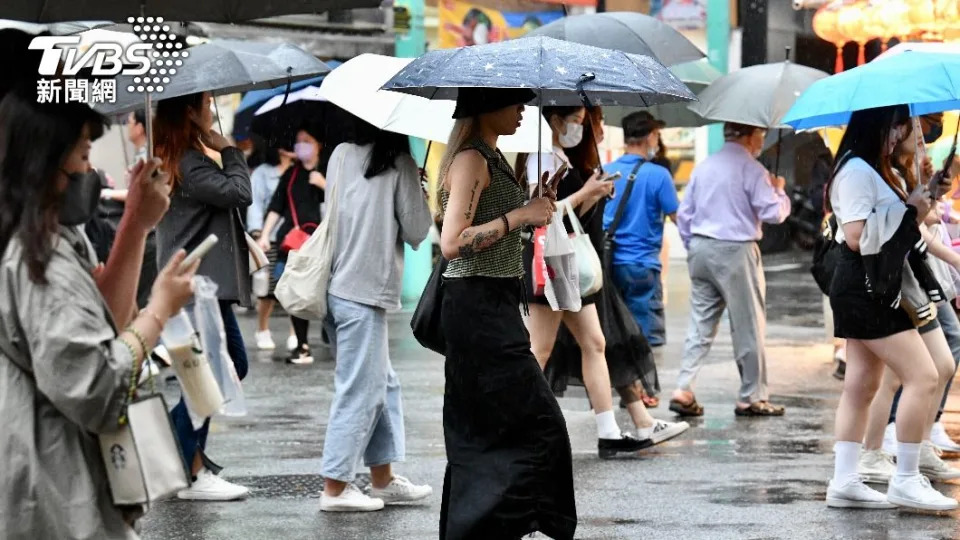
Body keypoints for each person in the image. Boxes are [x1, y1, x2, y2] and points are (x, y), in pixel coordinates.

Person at [0, 92, 199, 539]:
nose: (89, 170)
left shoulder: (51, 236)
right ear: (45, 163)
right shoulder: (39, 260)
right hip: (51, 486)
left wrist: (137, 222)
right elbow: (96, 385)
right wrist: (158, 312)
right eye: (84, 155)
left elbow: (101, 321)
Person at [438, 87, 576, 540]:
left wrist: (535, 202)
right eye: (515, 103)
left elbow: (501, 218)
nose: (522, 112)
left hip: (493, 302)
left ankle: (488, 525)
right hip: (476, 308)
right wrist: (520, 215)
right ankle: (505, 522)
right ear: (487, 107)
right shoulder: (471, 160)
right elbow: (452, 242)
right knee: (537, 422)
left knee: (491, 424)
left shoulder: (490, 157)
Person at [521, 106, 686, 455]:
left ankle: (609, 431)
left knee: (595, 343)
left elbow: (567, 218)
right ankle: (512, 426)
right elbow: (540, 215)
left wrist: (593, 195)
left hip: (567, 259)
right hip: (551, 260)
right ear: (555, 120)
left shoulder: (559, 154)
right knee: (541, 348)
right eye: (577, 121)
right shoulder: (541, 157)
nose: (580, 128)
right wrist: (586, 194)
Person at [825, 105, 957, 511]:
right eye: (900, 124)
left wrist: (921, 200)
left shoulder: (871, 167)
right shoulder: (857, 172)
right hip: (866, 286)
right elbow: (855, 237)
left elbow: (899, 230)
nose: (906, 131)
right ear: (881, 125)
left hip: (875, 285)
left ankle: (845, 481)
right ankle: (906, 478)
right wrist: (911, 211)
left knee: (862, 384)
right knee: (924, 375)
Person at [318, 119, 433, 512]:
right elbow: (418, 230)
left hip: (337, 284)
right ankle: (335, 487)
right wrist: (420, 186)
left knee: (383, 385)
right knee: (361, 391)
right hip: (363, 291)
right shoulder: (398, 163)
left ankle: (382, 479)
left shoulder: (340, 154)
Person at [154, 91, 252, 501]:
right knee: (206, 377)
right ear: (191, 113)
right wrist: (230, 151)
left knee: (217, 371)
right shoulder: (189, 163)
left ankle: (185, 463)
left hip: (202, 287)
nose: (211, 111)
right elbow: (238, 192)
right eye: (206, 104)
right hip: (197, 289)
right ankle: (186, 467)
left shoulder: (178, 159)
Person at [856, 121, 960, 484]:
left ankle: (904, 453)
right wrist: (920, 207)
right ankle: (886, 458)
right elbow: (863, 236)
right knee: (889, 378)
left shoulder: (895, 174)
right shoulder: (864, 172)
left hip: (913, 277)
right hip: (892, 280)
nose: (919, 138)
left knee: (935, 367)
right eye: (910, 131)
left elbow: (915, 222)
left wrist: (929, 192)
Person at [671, 122, 791, 418]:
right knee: (748, 324)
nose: (762, 138)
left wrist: (693, 245)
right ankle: (752, 396)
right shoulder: (753, 170)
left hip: (701, 247)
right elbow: (772, 213)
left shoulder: (704, 166)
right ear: (751, 136)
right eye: (761, 133)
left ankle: (684, 387)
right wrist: (780, 192)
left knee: (700, 323)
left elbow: (685, 215)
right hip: (735, 249)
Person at [603, 111, 678, 348]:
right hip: (642, 266)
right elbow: (680, 219)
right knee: (645, 341)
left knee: (614, 334)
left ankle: (620, 383)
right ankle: (641, 385)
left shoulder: (605, 171)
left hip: (609, 263)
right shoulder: (659, 175)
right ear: (651, 136)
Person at [259, 122, 326, 363]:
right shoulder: (291, 174)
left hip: (319, 242)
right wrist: (265, 235)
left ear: (318, 144)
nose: (302, 146)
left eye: (307, 140)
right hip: (293, 242)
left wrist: (324, 185)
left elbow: (342, 204)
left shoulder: (327, 171)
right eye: (299, 141)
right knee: (296, 292)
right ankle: (302, 344)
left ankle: (329, 336)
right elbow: (276, 206)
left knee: (322, 291)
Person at [247, 146, 295, 351]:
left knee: (296, 286)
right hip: (271, 239)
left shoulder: (301, 171)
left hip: (296, 238)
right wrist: (258, 233)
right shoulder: (263, 173)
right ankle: (263, 329)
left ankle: (296, 333)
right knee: (269, 288)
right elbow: (254, 204)